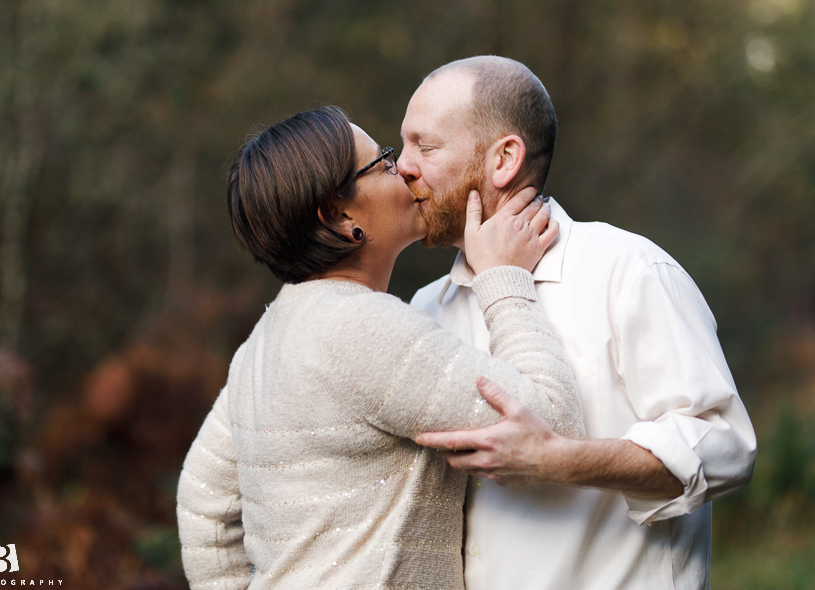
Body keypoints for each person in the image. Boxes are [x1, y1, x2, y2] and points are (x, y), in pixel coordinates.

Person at [176, 106, 585, 590]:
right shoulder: (363, 330)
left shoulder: (262, 344)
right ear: (340, 214)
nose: (407, 169)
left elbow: (202, 500)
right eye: (385, 162)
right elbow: (552, 426)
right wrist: (505, 279)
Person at [402, 56, 757, 590]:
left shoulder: (630, 271)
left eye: (424, 147)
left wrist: (556, 460)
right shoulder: (424, 310)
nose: (401, 167)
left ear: (504, 159)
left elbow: (723, 445)